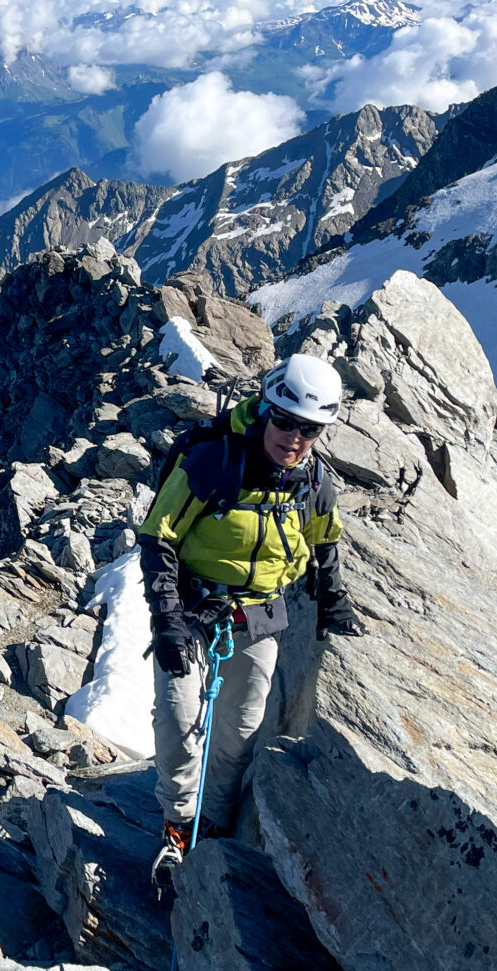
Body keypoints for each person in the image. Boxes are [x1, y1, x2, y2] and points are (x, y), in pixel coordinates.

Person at [138, 353, 364, 887]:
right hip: (192, 611)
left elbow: (324, 543)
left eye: (309, 429)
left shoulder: (314, 484)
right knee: (179, 718)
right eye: (284, 421)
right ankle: (178, 824)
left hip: (259, 615)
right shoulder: (213, 463)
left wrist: (333, 602)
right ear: (265, 410)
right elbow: (158, 537)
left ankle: (212, 822)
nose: (294, 436)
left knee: (239, 732)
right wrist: (167, 618)